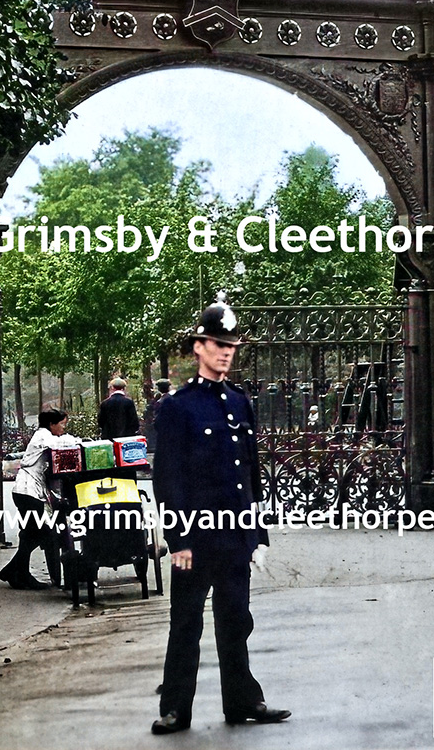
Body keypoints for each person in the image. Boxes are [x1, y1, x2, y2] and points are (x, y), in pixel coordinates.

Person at [151, 293, 290, 734]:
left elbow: (249, 476)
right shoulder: (176, 407)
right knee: (186, 623)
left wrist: (258, 536)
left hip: (234, 536)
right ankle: (175, 709)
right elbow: (168, 480)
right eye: (216, 344)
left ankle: (243, 701)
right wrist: (179, 541)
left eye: (230, 345)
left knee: (237, 620)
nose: (225, 352)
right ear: (198, 348)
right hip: (196, 538)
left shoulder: (239, 401)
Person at [0, 409, 80, 590]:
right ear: (51, 424)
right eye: (62, 424)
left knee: (30, 536)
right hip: (28, 492)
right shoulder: (43, 436)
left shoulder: (44, 437)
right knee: (43, 534)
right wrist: (78, 441)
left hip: (28, 492)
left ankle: (17, 573)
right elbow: (63, 443)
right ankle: (13, 571)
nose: (63, 428)